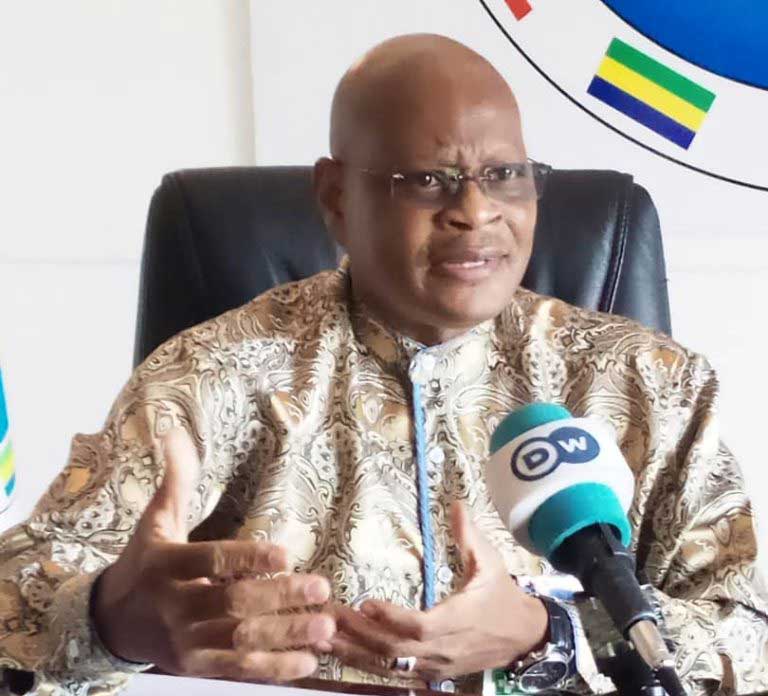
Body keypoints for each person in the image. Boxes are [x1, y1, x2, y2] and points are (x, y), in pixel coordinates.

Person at [1, 33, 767, 696]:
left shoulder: (649, 383)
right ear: (335, 197)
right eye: (427, 180)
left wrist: (548, 633)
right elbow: (17, 597)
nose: (476, 211)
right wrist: (109, 620)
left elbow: (749, 636)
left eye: (506, 174)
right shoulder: (212, 377)